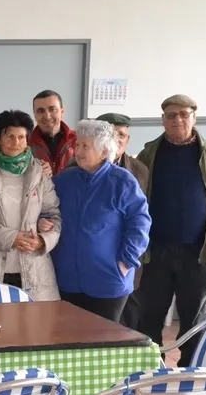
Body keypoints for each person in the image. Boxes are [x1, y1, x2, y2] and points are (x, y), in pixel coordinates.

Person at [134, 94, 206, 365]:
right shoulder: (149, 153)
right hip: (155, 251)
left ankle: (189, 372)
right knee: (149, 315)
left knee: (194, 318)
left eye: (183, 114)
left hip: (200, 251)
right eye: (171, 115)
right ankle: (150, 369)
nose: (177, 120)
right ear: (163, 120)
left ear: (194, 116)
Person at [51, 120, 151, 322]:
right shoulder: (64, 180)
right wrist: (45, 220)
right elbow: (47, 209)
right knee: (69, 339)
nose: (78, 150)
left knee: (104, 342)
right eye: (77, 145)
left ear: (104, 152)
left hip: (108, 279)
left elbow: (140, 223)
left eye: (85, 146)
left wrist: (125, 261)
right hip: (67, 278)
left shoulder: (122, 181)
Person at [0, 110, 60, 300]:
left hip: (34, 270)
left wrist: (43, 239)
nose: (16, 142)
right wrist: (11, 238)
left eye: (22, 137)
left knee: (34, 328)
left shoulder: (39, 172)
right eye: (10, 136)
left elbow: (53, 214)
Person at [93, 113, 151, 330]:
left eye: (122, 135)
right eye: (111, 134)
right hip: (95, 260)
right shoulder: (78, 165)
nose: (117, 140)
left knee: (127, 320)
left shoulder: (139, 170)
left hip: (127, 258)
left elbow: (142, 217)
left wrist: (128, 258)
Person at [29, 90, 76, 176]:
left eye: (52, 109)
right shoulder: (25, 144)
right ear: (35, 115)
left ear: (62, 112)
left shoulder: (79, 141)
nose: (47, 116)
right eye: (40, 111)